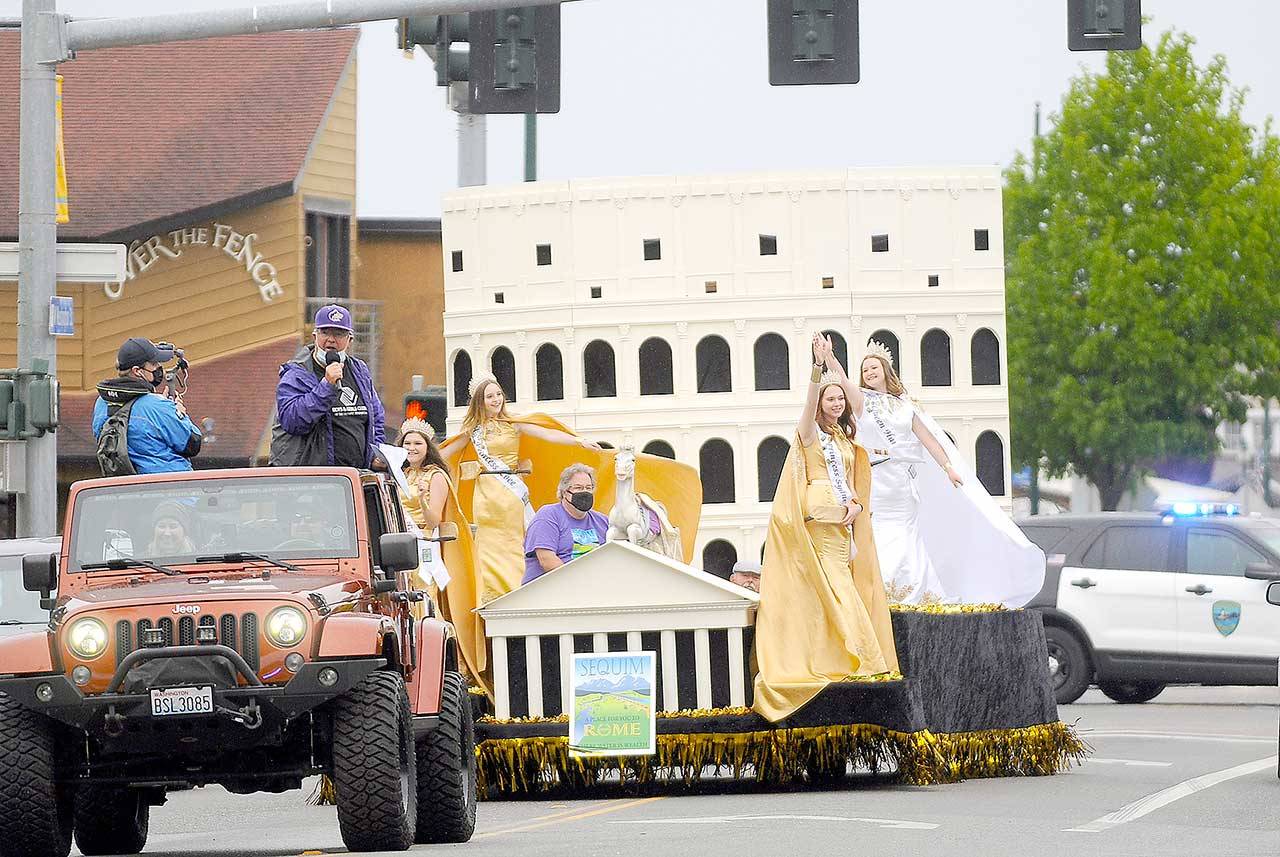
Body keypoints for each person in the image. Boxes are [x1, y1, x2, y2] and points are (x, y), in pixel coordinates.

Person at [819, 335, 1044, 607]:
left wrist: (948, 467)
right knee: (877, 533)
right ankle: (881, 590)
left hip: (901, 482)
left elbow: (929, 439)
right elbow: (842, 380)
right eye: (865, 370)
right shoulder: (862, 401)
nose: (869, 373)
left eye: (874, 368)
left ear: (886, 371)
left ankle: (913, 590)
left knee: (906, 534)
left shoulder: (905, 406)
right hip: (876, 481)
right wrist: (830, 358)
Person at [751, 335, 898, 723]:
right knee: (837, 587)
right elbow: (808, 403)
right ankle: (862, 658)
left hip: (843, 522)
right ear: (819, 404)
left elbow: (852, 480)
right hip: (819, 519)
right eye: (829, 399)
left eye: (839, 399)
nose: (835, 404)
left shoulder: (843, 437)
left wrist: (858, 504)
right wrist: (819, 368)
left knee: (835, 590)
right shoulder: (810, 433)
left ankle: (842, 654)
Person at [439, 376, 601, 603]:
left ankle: (516, 589)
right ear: (480, 401)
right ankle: (493, 595)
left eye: (498, 394)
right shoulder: (472, 431)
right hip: (486, 496)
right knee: (488, 545)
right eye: (489, 396)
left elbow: (547, 434)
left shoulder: (514, 424)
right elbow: (445, 453)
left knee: (514, 541)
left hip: (511, 493)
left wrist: (578, 441)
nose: (496, 400)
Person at [395, 418, 487, 691]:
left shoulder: (435, 476)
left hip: (424, 543)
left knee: (425, 600)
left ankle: (438, 661)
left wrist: (423, 499)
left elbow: (434, 520)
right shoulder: (399, 474)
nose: (411, 448)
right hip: (398, 544)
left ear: (427, 447)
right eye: (407, 443)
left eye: (417, 443)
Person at [269, 304, 386, 468]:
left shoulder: (359, 370)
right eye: (325, 332)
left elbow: (376, 418)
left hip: (354, 479)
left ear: (349, 340)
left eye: (338, 334)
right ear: (315, 336)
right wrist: (326, 386)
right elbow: (292, 421)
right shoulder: (296, 373)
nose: (331, 340)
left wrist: (375, 454)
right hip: (310, 481)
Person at [93, 337, 201, 474]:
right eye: (154, 364)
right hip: (170, 489)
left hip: (125, 489)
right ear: (137, 370)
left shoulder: (101, 403)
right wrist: (179, 413)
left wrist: (160, 406)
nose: (159, 368)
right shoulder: (157, 406)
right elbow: (192, 444)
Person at [521, 463, 611, 585]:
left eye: (588, 488)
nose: (584, 492)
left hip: (592, 589)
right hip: (551, 590)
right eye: (578, 488)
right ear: (564, 492)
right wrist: (577, 585)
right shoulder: (548, 515)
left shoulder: (602, 521)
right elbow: (546, 559)